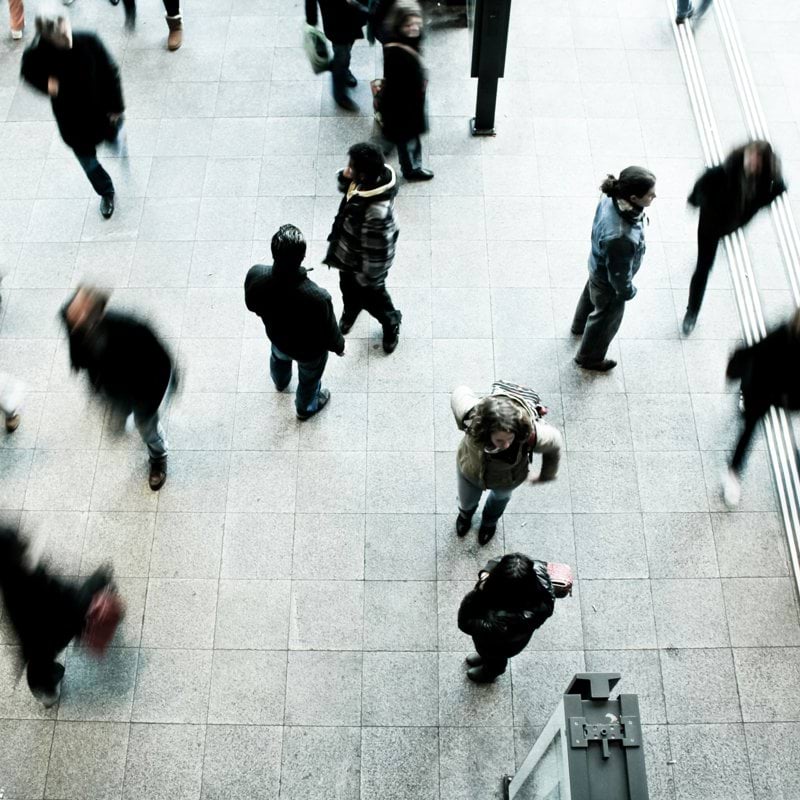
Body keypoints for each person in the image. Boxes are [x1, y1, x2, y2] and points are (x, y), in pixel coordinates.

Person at [61, 285, 175, 491]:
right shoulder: (72, 323)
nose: (73, 314)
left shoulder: (130, 327)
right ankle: (122, 419)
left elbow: (161, 357)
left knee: (145, 424)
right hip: (112, 388)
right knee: (119, 413)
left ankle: (158, 456)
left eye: (80, 310)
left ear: (98, 311)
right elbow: (78, 351)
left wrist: (164, 388)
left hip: (142, 389)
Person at [20, 15, 125, 219]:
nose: (66, 37)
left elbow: (111, 72)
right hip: (72, 121)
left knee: (111, 136)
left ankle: (114, 141)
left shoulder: (87, 41)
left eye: (65, 29)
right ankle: (106, 191)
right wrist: (48, 85)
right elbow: (28, 71)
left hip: (100, 112)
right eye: (60, 35)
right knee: (88, 162)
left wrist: (117, 108)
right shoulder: (40, 54)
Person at [0, 526, 115, 707]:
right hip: (57, 626)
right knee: (93, 589)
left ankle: (46, 692)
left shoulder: (9, 586)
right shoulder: (30, 577)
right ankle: (104, 583)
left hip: (36, 641)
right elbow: (63, 596)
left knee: (39, 665)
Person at [682, 140, 786, 335]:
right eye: (752, 158)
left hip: (733, 223)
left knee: (706, 262)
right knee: (703, 267)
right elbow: (698, 190)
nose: (753, 164)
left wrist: (758, 205)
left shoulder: (766, 180)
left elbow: (775, 191)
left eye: (759, 162)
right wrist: (698, 201)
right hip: (710, 226)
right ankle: (692, 312)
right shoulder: (721, 173)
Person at [245, 225, 345, 421]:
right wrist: (339, 346)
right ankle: (305, 407)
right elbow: (329, 331)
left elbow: (251, 304)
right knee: (309, 379)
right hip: (309, 351)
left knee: (278, 358)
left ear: (273, 251)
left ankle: (280, 382)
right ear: (303, 256)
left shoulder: (256, 275)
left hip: (277, 337)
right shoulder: (317, 297)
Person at [451, 384, 563, 545]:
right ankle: (465, 515)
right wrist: (475, 407)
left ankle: (489, 523)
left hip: (508, 477)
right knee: (466, 499)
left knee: (500, 499)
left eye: (510, 439)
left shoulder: (529, 432)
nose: (506, 445)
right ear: (486, 431)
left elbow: (555, 441)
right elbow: (459, 392)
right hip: (469, 468)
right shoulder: (471, 417)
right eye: (499, 440)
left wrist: (546, 474)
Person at [571, 167, 657, 372]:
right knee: (606, 319)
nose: (655, 196)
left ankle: (579, 326)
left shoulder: (610, 197)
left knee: (590, 297)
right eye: (650, 194)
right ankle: (589, 358)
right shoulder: (621, 236)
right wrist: (627, 291)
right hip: (610, 282)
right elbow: (618, 276)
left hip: (597, 266)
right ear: (634, 198)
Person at [324, 142, 403, 354]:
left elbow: (380, 254)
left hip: (367, 271)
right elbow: (348, 190)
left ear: (364, 175)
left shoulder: (378, 212)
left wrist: (368, 280)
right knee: (347, 289)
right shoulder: (363, 183)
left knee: (376, 301)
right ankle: (351, 309)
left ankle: (390, 323)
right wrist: (346, 177)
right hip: (348, 256)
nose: (347, 169)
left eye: (352, 167)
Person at [722, 309, 800, 508]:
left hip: (781, 393)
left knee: (749, 426)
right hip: (762, 389)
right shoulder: (783, 335)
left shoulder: (787, 333)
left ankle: (733, 473)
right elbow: (755, 352)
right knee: (749, 428)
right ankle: (733, 472)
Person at [457, 553, 555, 683]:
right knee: (489, 654)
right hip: (513, 641)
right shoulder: (535, 577)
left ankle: (489, 673)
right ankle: (485, 659)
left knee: (494, 658)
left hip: (499, 644)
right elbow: (503, 561)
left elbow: (465, 624)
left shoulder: (501, 621)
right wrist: (487, 571)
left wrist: (478, 592)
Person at [379, 1, 434, 181]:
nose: (414, 27)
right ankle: (411, 170)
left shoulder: (406, 39)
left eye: (416, 22)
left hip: (408, 103)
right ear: (399, 25)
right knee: (406, 139)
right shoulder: (396, 52)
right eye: (408, 24)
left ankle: (396, 150)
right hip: (403, 108)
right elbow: (396, 87)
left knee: (407, 137)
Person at [305, 0, 368, 110]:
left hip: (353, 17)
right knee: (342, 55)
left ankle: (343, 70)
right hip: (336, 23)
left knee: (347, 49)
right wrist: (311, 21)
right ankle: (339, 95)